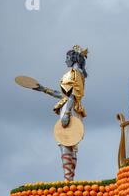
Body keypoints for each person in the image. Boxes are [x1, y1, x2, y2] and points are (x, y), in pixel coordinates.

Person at [33, 45, 88, 180]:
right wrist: (43, 89)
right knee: (70, 143)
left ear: (73, 58)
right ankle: (69, 179)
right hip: (71, 107)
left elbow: (72, 96)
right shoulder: (77, 74)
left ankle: (68, 179)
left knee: (66, 142)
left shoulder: (75, 74)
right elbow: (64, 95)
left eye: (67, 58)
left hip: (70, 109)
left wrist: (67, 113)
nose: (65, 61)